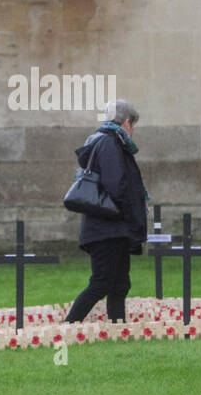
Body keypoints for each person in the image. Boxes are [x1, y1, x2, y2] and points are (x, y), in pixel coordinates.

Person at [64, 99, 149, 323]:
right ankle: (68, 325)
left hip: (113, 228)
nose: (133, 132)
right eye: (133, 126)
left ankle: (116, 327)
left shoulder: (109, 142)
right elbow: (117, 186)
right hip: (107, 228)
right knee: (102, 282)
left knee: (120, 284)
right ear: (127, 123)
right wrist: (131, 213)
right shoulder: (110, 143)